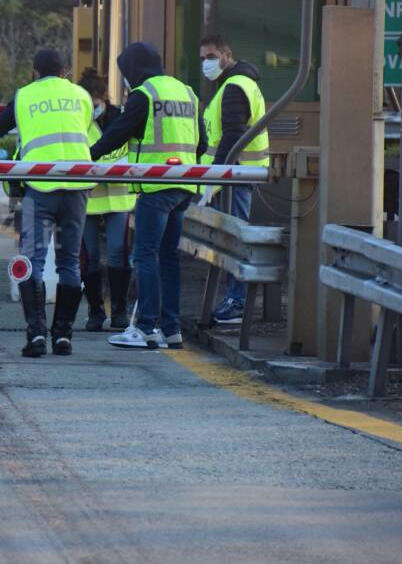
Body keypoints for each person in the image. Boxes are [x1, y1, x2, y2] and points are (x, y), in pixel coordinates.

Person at [89, 42, 205, 350]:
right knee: (168, 258)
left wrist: (90, 154)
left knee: (144, 256)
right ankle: (171, 329)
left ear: (134, 69)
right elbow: (202, 143)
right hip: (184, 186)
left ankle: (145, 327)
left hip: (156, 188)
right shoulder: (187, 92)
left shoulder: (145, 94)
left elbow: (119, 132)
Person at [0, 49, 93, 358]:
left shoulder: (24, 96)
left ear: (35, 71)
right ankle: (63, 336)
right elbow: (84, 129)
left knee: (32, 259)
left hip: (40, 185)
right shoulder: (82, 95)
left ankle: (36, 335)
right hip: (78, 185)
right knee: (70, 262)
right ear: (65, 71)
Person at [199, 34, 269, 324]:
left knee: (235, 239)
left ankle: (237, 302)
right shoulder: (233, 84)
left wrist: (216, 174)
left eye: (212, 57)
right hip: (234, 175)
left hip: (234, 175)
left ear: (227, 56)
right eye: (203, 58)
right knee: (231, 238)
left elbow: (232, 133)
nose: (207, 63)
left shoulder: (235, 86)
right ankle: (234, 299)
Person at [77, 68, 135, 333]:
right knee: (89, 258)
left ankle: (120, 311)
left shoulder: (121, 119)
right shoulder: (77, 121)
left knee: (117, 254)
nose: (92, 110)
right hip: (88, 199)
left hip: (118, 196)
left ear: (103, 99)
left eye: (95, 105)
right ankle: (96, 310)